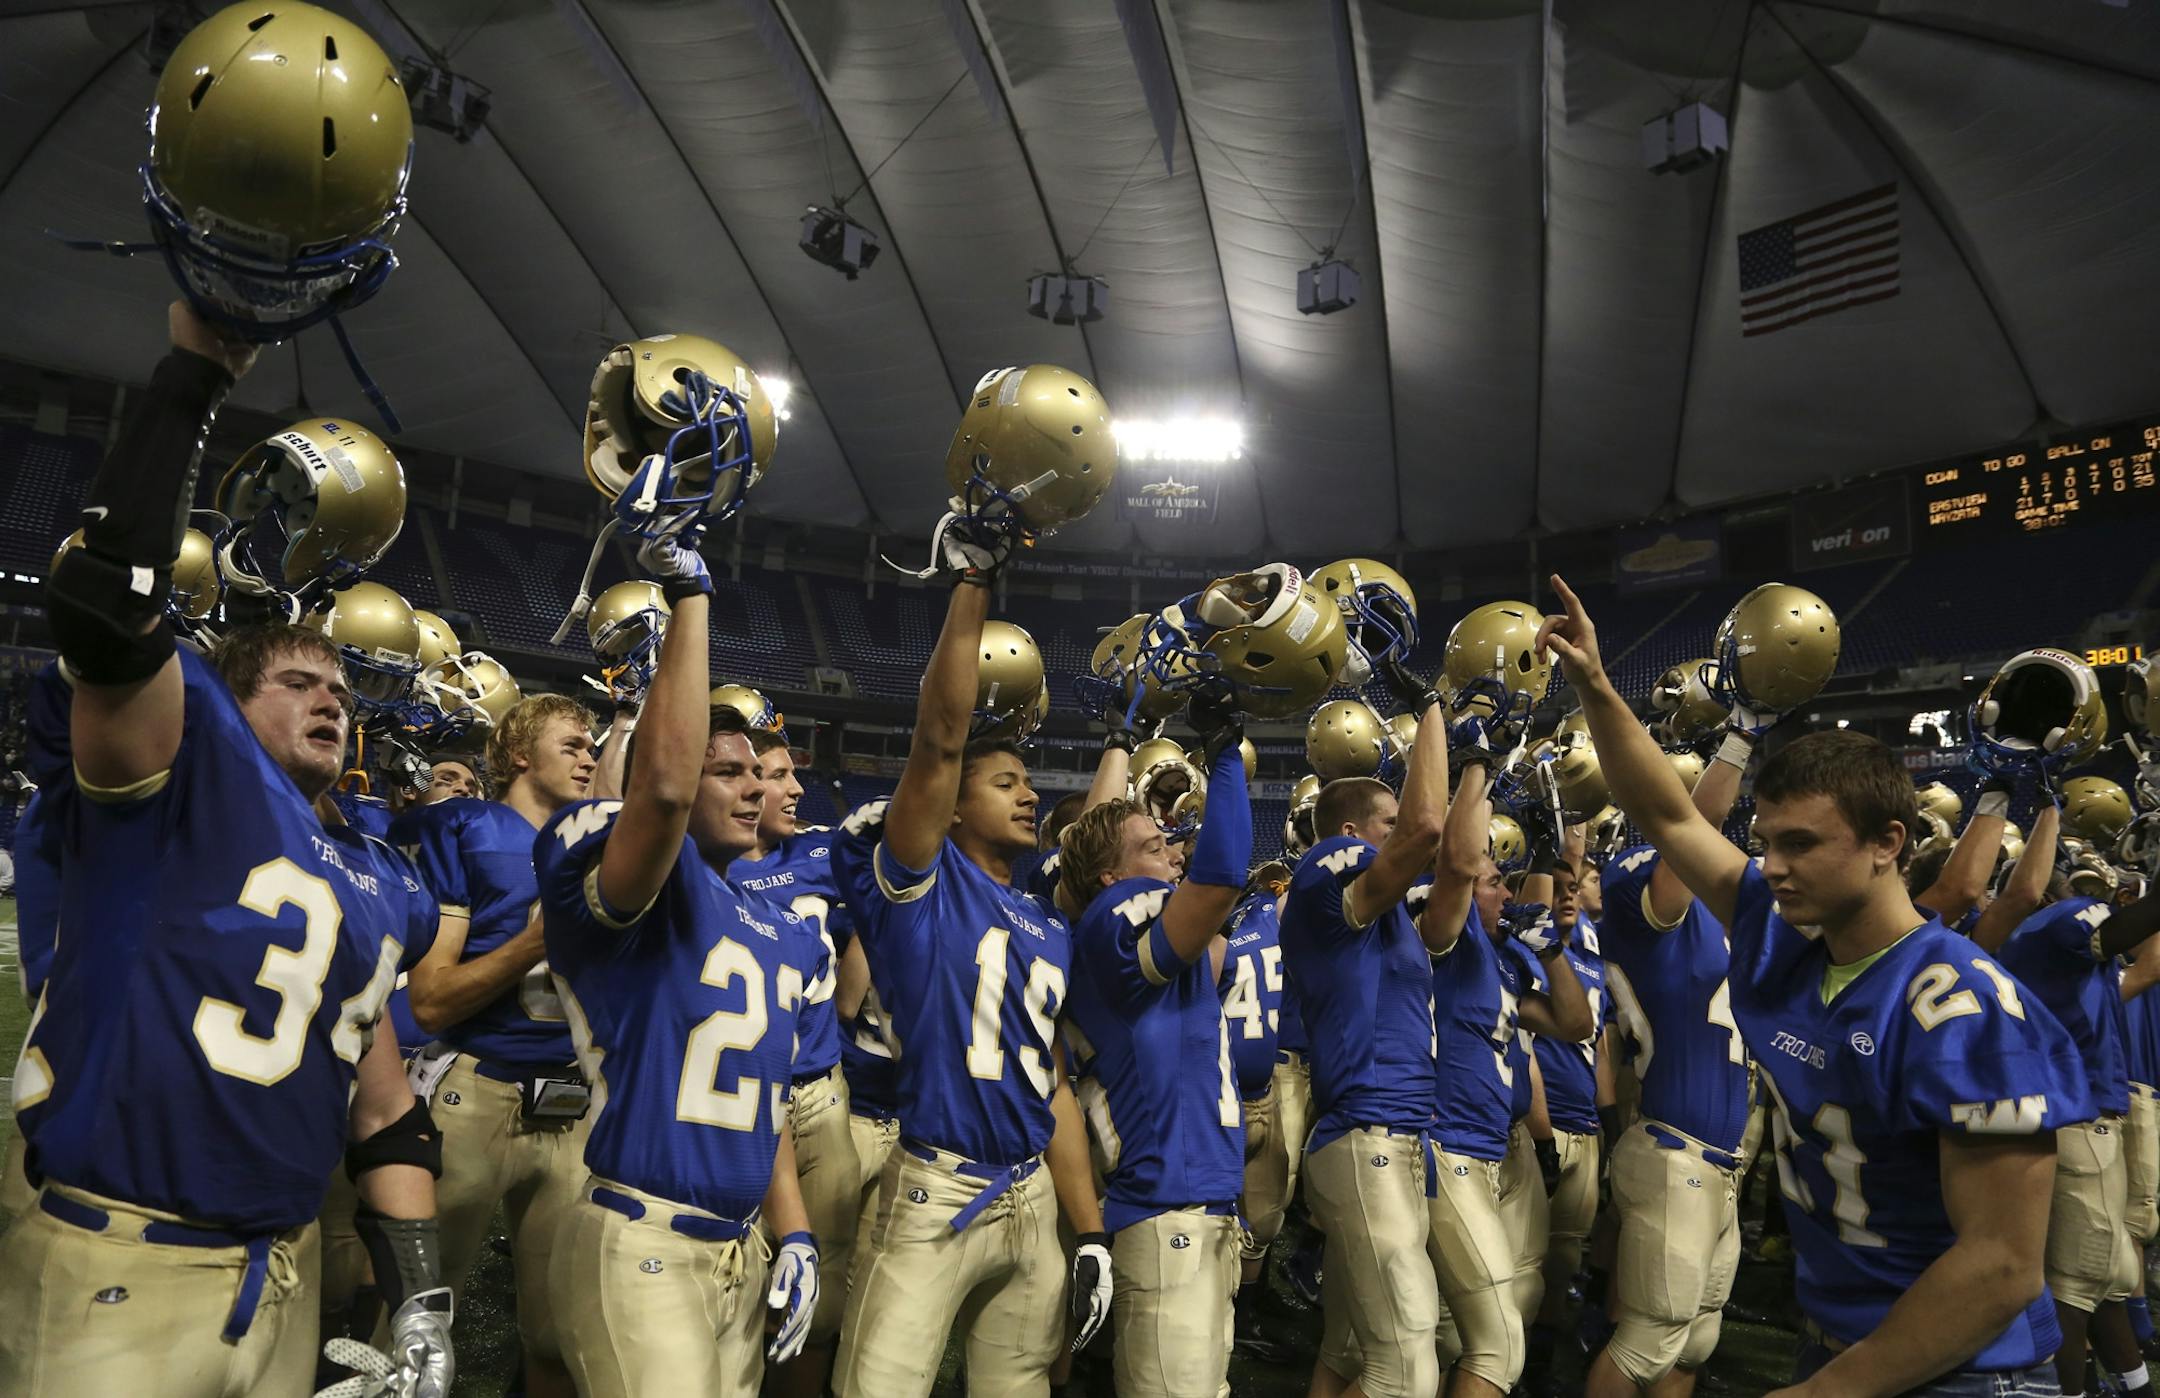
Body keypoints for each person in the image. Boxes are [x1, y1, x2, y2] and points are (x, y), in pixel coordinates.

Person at [2, 304, 448, 1397]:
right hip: (122, 1258)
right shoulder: (185, 772)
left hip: (282, 1276)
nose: (330, 702)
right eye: (298, 684)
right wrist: (197, 370)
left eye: (341, 691)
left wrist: (425, 1300)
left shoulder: (373, 873)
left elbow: (385, 1108)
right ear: (221, 704)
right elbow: (109, 612)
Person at [1540, 574, 2096, 1395]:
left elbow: (2003, 1266)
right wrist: (1593, 684)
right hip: (1840, 1339)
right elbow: (1671, 818)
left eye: (1800, 844)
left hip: (1966, 1371)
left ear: (1887, 843)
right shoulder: (1790, 933)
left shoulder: (1962, 1006)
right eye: (1765, 841)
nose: (1770, 867)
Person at [535, 496, 820, 1396]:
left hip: (738, 1251)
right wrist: (689, 589)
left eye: (753, 776)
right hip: (640, 1236)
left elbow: (758, 1098)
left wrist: (797, 1228)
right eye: (723, 772)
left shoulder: (776, 927)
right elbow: (656, 792)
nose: (748, 793)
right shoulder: (630, 864)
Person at [829, 539, 1110, 1398]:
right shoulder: (920, 882)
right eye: (1007, 782)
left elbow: (1051, 1081)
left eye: (1030, 783)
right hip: (934, 1189)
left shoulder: (1042, 917)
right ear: (950, 807)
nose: (1029, 795)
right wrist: (975, 581)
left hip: (1030, 1195)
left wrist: (1088, 1230)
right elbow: (941, 735)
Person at [388, 692, 599, 1398]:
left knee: (560, 1333)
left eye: (591, 745)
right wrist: (532, 943)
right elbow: (432, 998)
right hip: (475, 1091)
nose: (588, 756)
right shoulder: (470, 828)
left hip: (575, 1110)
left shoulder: (597, 841)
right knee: (414, 1318)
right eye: (570, 744)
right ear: (517, 754)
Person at [1059, 693, 1253, 1397]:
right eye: (1156, 847)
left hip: (1197, 1200)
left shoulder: (1127, 915)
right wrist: (1226, 750)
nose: (1174, 851)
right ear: (1110, 879)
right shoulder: (1117, 915)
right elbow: (1222, 878)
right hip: (1165, 1203)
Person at [1280, 650, 1451, 1398]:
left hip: (1398, 1133)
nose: (1394, 834)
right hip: (1364, 1131)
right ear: (1352, 829)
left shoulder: (1392, 919)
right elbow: (1424, 831)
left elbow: (1444, 849)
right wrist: (1438, 715)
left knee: (1353, 1352)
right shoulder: (1332, 862)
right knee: (1407, 1365)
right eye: (1381, 824)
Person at [1588, 724, 1761, 1398]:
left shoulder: (1722, 927)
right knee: (1646, 1341)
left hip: (1721, 1161)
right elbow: (1693, 827)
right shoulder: (1640, 886)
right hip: (1672, 1149)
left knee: (1693, 1343)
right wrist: (1741, 736)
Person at [1423, 756, 1592, 1398]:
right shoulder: (1450, 943)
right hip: (1451, 1147)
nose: (1505, 892)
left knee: (1509, 1300)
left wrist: (1550, 949)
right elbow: (1459, 867)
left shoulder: (1506, 958)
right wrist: (1483, 765)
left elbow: (1574, 1024)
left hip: (1500, 1144)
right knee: (1490, 1342)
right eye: (1497, 882)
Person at [1995, 817, 2160, 1398]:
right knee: (2074, 1285)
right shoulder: (2055, 922)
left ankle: (2135, 1387)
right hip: (2080, 1121)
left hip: (2077, 1119)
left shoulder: (2031, 948)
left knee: (2107, 1280)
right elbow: (2123, 932)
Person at [730, 727, 858, 1398]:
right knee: (741, 1265)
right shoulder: (707, 862)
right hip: (739, 1093)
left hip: (820, 1087)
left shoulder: (820, 852)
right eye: (779, 774)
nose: (796, 788)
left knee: (826, 1267)